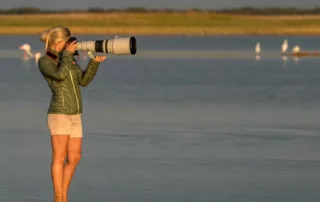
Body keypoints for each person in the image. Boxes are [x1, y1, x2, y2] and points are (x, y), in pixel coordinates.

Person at [37, 26, 106, 202]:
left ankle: (64, 195)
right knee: (59, 157)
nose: (71, 45)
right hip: (59, 113)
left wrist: (94, 63)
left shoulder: (68, 59)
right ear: (59, 42)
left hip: (76, 114)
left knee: (75, 157)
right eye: (67, 42)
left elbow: (83, 82)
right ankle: (58, 196)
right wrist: (67, 55)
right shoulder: (45, 61)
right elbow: (59, 76)